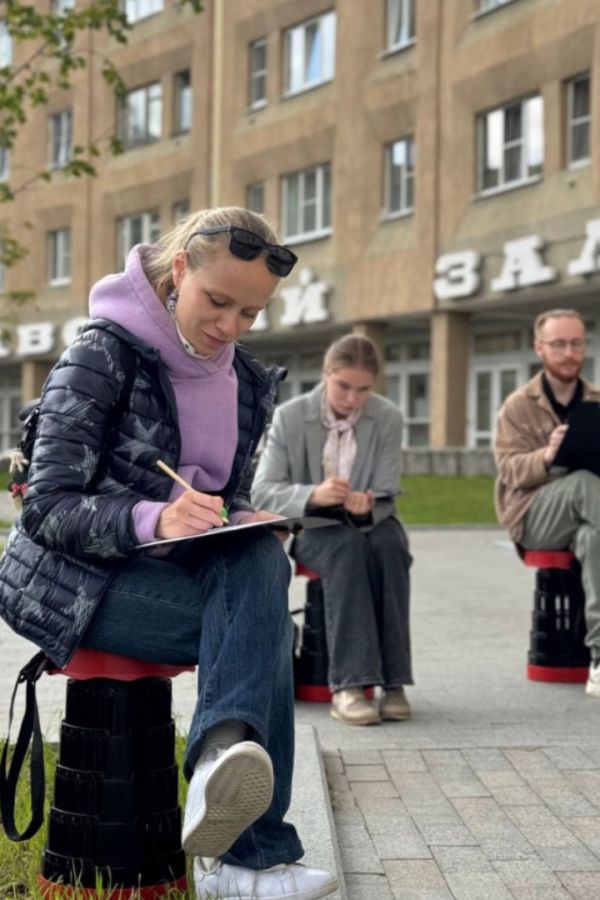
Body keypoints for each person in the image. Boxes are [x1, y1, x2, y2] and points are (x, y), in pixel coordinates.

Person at [0, 207, 337, 900]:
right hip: (73, 585)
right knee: (259, 625)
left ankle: (223, 769)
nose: (231, 327)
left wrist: (243, 517)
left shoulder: (244, 383)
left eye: (251, 313)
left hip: (168, 576)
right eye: (219, 302)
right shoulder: (100, 354)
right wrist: (155, 518)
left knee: (262, 564)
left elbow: (223, 497)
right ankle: (245, 856)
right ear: (179, 268)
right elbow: (46, 507)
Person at [252, 334, 413, 726]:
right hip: (315, 525)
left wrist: (366, 504)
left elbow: (388, 488)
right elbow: (263, 490)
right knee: (346, 549)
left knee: (391, 546)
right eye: (343, 386)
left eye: (363, 389)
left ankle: (394, 683)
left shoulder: (388, 417)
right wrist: (315, 494)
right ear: (326, 375)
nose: (353, 398)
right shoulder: (291, 416)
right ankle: (350, 686)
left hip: (370, 520)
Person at [494, 308, 600, 697]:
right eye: (559, 344)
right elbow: (509, 471)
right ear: (540, 348)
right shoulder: (518, 406)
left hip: (590, 512)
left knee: (594, 538)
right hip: (533, 514)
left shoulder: (596, 401)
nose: (569, 352)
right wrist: (546, 456)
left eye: (576, 343)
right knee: (585, 484)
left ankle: (599, 660)